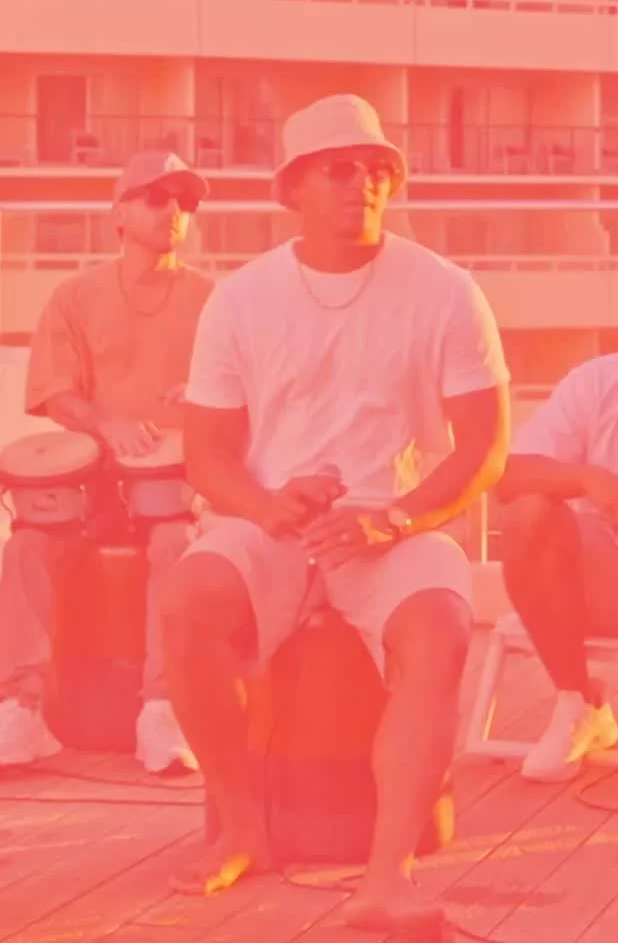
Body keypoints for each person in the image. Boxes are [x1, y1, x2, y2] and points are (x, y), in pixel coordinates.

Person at [161, 94, 510, 936]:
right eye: (341, 169)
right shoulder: (242, 299)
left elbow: (484, 448)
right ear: (293, 189)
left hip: (394, 522)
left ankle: (387, 875)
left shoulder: (445, 290)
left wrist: (394, 519)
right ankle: (241, 827)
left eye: (380, 168)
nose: (366, 182)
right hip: (272, 519)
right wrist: (267, 504)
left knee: (440, 625)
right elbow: (207, 452)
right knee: (186, 600)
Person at [0, 150, 213, 774]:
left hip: (181, 488)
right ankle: (22, 710)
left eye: (184, 201)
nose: (173, 210)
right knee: (25, 545)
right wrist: (107, 424)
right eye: (156, 197)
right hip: (88, 485)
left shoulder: (214, 300)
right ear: (119, 214)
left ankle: (161, 711)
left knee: (176, 543)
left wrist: (204, 400)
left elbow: (247, 393)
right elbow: (54, 393)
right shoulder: (75, 295)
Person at [498, 347, 618, 782]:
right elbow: (507, 475)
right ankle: (577, 704)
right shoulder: (601, 382)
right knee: (530, 513)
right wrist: (588, 479)